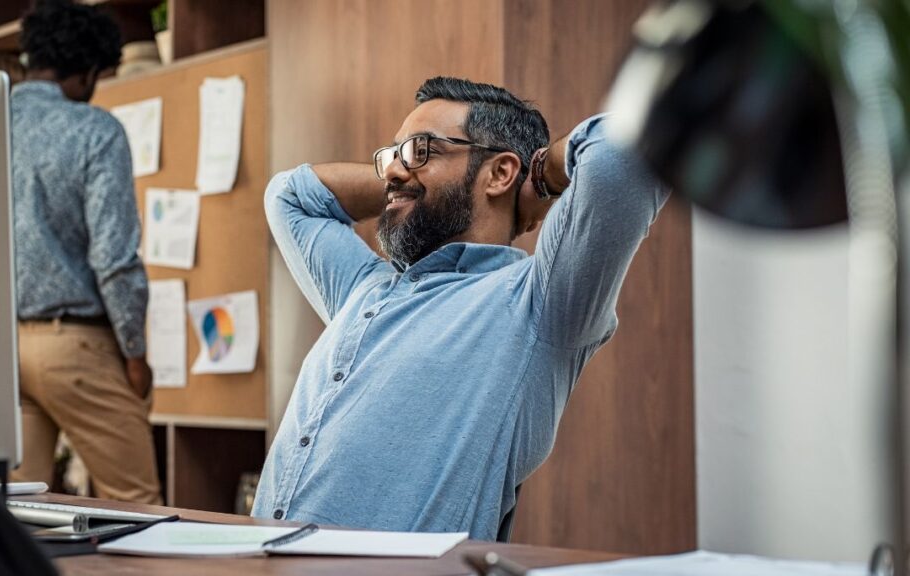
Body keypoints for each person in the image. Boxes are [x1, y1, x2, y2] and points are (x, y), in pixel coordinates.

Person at [254, 77, 669, 539]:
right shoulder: (365, 287)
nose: (391, 170)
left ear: (499, 173)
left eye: (421, 149)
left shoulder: (538, 302)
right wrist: (405, 181)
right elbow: (289, 197)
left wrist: (541, 177)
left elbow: (628, 150)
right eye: (393, 154)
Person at [8, 0, 161, 505]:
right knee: (135, 508)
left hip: (1, 348)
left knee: (17, 514)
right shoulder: (94, 129)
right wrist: (135, 352)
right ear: (87, 72)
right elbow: (114, 257)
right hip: (75, 347)